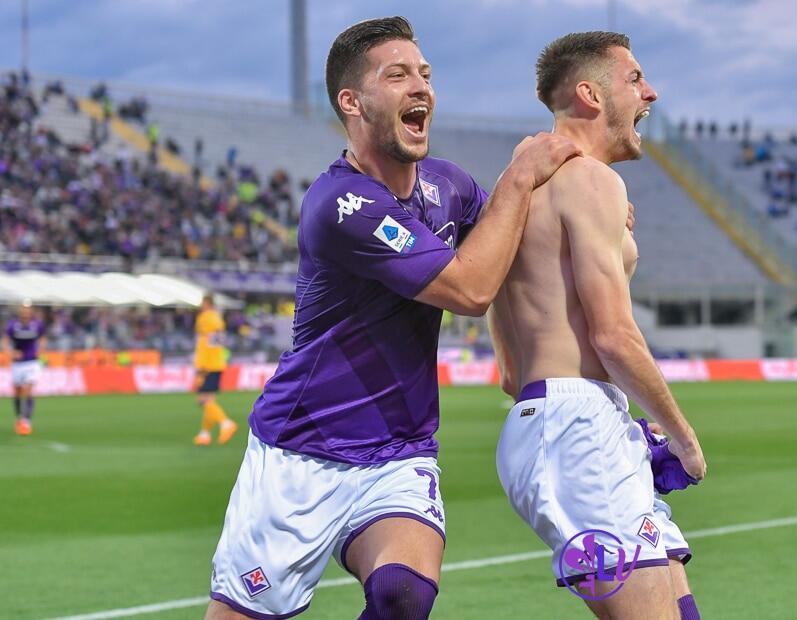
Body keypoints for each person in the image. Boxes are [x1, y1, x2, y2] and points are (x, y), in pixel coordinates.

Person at [204, 17, 580, 620]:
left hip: (400, 451)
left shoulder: (449, 186)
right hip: (302, 453)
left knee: (402, 595)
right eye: (398, 75)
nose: (421, 87)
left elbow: (513, 243)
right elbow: (472, 286)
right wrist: (519, 175)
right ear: (351, 102)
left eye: (426, 75)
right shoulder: (340, 204)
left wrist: (592, 212)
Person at [490, 31, 705, 620]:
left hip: (559, 417)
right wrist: (682, 437)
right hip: (576, 425)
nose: (651, 92)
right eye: (635, 79)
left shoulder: (515, 188)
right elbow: (612, 335)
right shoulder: (591, 181)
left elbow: (510, 372)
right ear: (589, 94)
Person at [192, 294, 237, 446]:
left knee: (203, 400)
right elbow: (217, 343)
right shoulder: (218, 319)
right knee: (209, 399)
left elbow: (204, 345)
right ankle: (204, 434)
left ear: (206, 304)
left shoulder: (204, 319)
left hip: (208, 364)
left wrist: (201, 367)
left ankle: (226, 423)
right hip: (218, 362)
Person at [3, 301, 47, 436]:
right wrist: (11, 352)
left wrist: (40, 348)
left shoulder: (37, 324)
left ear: (31, 311)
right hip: (18, 363)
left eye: (27, 310)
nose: (25, 313)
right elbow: (5, 341)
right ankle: (19, 418)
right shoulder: (13, 325)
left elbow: (43, 338)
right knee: (17, 392)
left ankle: (26, 421)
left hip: (32, 362)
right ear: (20, 312)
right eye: (23, 310)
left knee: (28, 390)